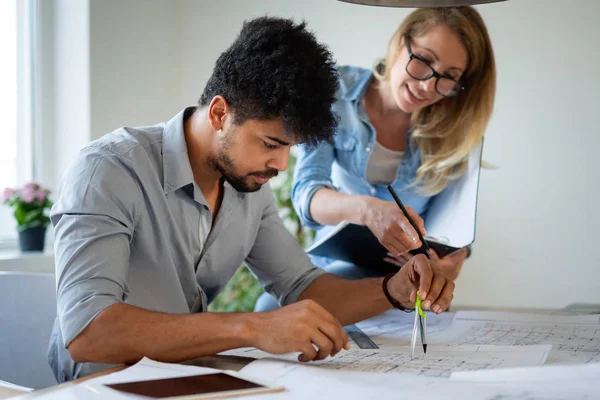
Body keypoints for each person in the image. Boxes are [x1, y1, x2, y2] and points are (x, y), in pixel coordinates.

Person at [47, 16, 455, 382]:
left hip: (185, 378)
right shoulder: (108, 170)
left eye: (289, 148)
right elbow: (88, 333)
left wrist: (393, 290)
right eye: (270, 143)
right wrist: (254, 327)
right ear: (220, 113)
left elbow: (303, 287)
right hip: (100, 387)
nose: (279, 164)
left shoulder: (247, 185)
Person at [255, 6, 495, 311]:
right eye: (423, 61)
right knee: (270, 307)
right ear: (400, 43)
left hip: (408, 280)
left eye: (449, 77)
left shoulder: (456, 131)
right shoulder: (333, 92)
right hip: (331, 267)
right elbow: (307, 197)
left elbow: (454, 225)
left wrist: (452, 261)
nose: (427, 86)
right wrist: (369, 211)